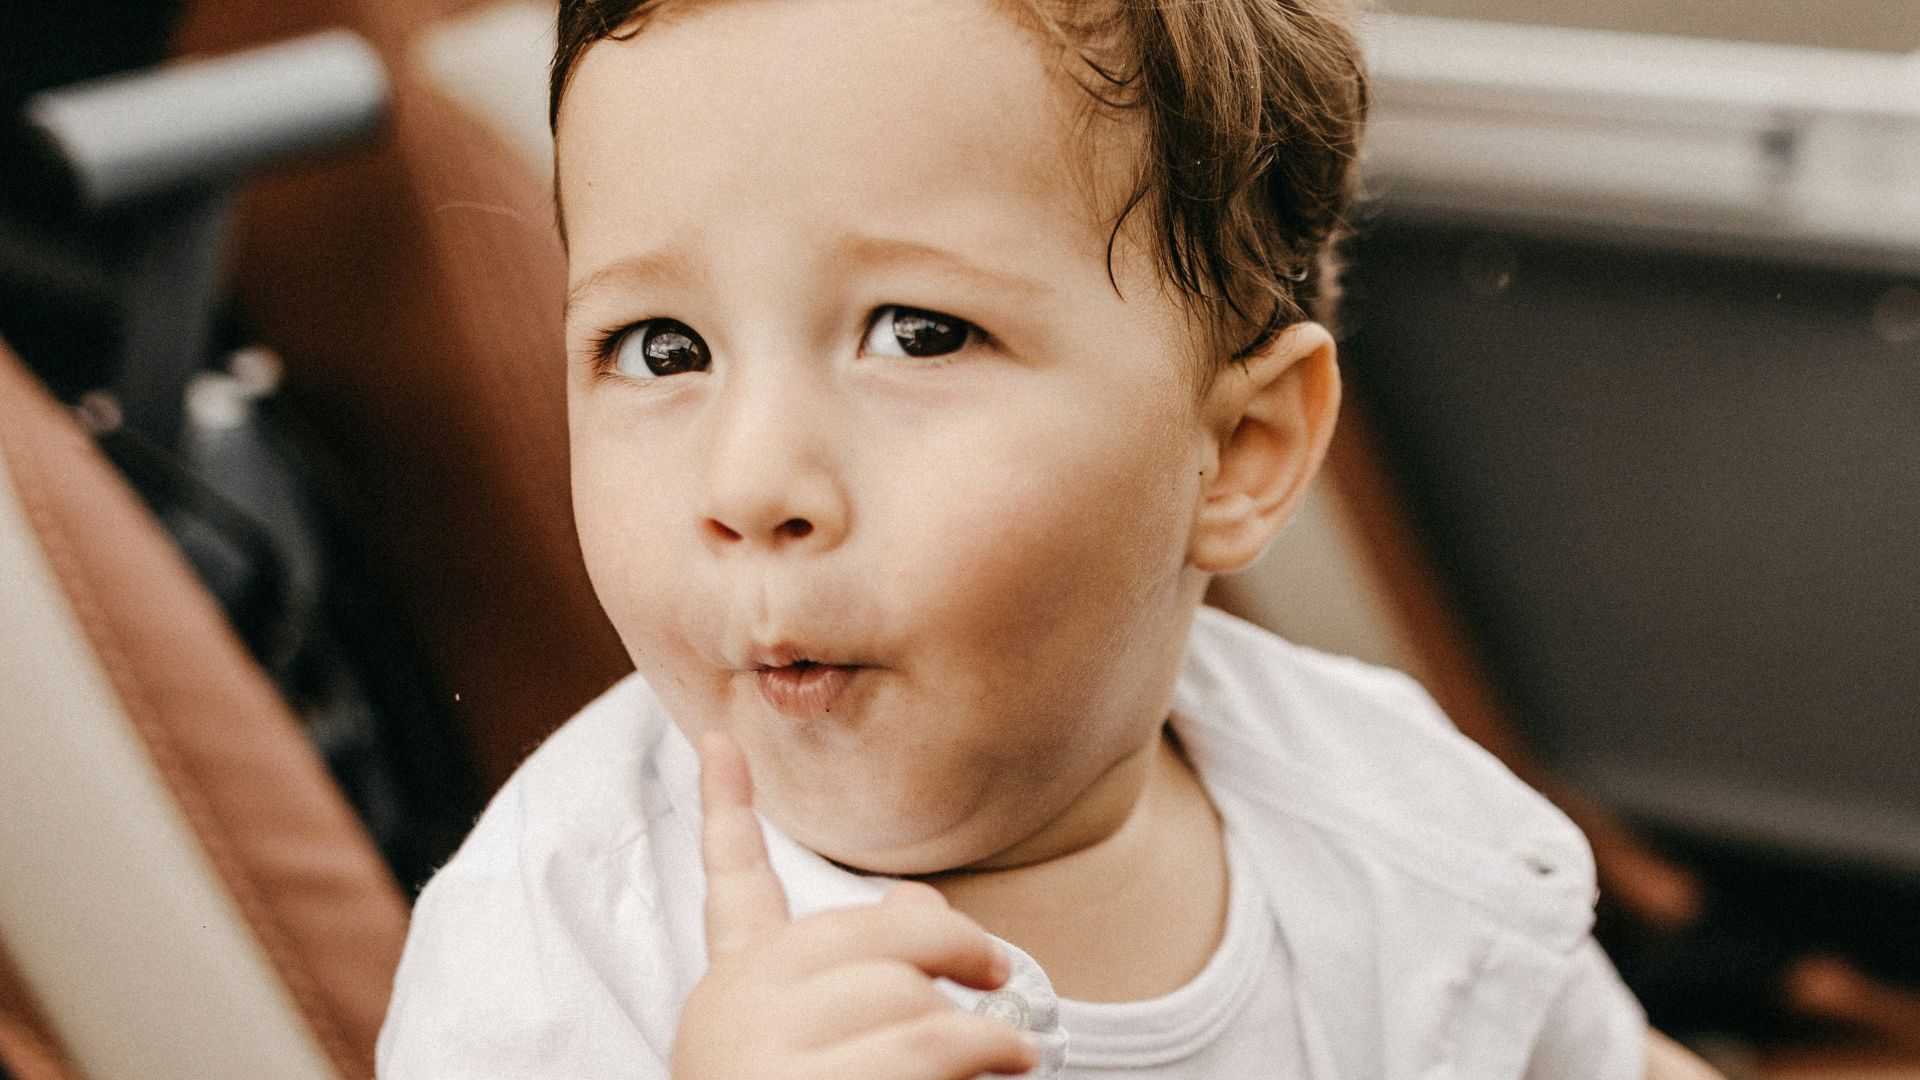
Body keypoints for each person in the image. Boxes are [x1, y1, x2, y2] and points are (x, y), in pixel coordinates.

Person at [377, 0, 1717, 1076]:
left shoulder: (1390, 812)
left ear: (1239, 453)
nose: (751, 481)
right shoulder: (556, 956)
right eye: (660, 349)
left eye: (918, 331)